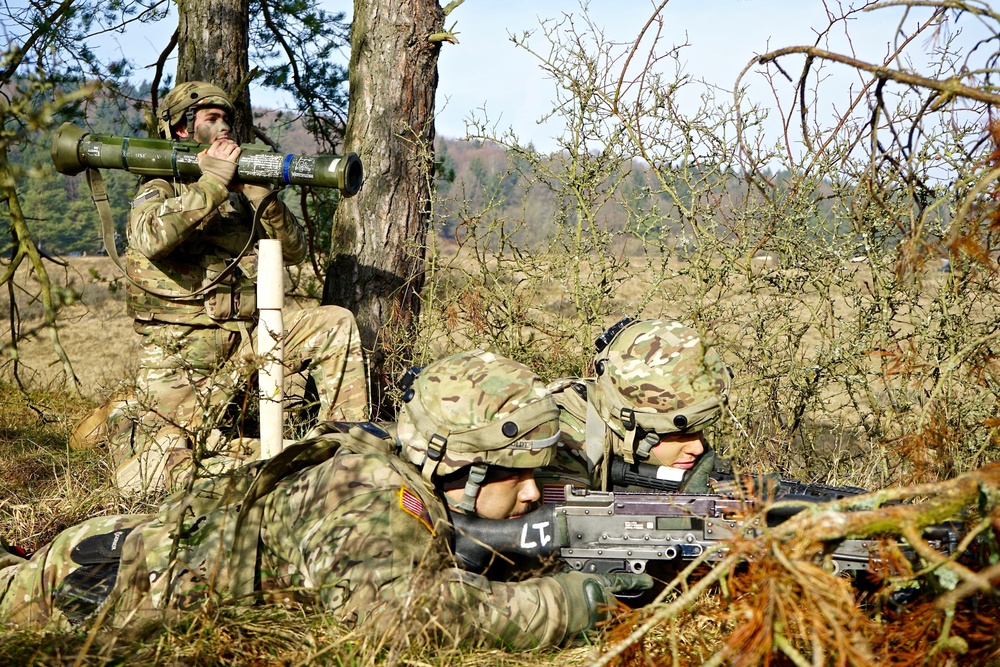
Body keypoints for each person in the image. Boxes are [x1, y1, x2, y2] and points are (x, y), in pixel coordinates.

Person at [0, 351, 651, 648]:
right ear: (463, 467)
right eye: (519, 473)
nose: (534, 489)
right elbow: (403, 621)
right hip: (88, 589)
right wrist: (572, 602)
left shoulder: (410, 479)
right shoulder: (373, 497)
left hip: (137, 550)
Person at [105, 81, 368, 492]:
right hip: (182, 367)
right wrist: (211, 183)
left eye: (227, 119)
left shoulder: (241, 198)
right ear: (182, 130)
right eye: (212, 119)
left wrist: (265, 199)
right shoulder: (160, 187)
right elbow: (148, 238)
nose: (224, 127)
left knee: (334, 322)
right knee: (159, 474)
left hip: (246, 349)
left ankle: (346, 453)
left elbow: (295, 251)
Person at [536, 317, 732, 499]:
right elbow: (570, 530)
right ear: (634, 425)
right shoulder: (563, 443)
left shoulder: (670, 428)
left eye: (700, 431)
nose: (697, 447)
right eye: (681, 435)